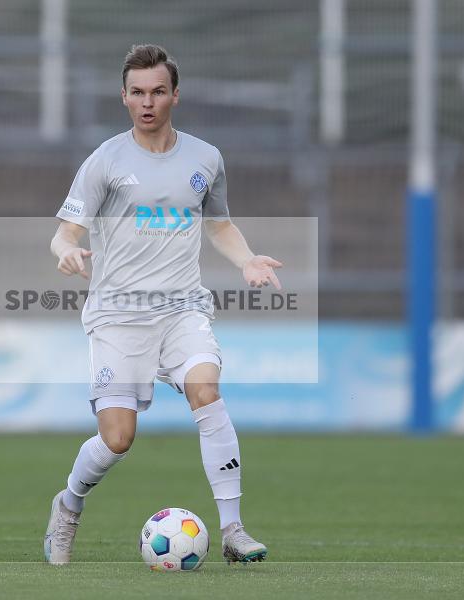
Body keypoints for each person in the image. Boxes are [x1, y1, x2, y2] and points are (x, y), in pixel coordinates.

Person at [45, 44, 282, 566]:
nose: (147, 102)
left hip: (182, 309)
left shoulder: (205, 158)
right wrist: (67, 252)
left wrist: (246, 261)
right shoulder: (105, 161)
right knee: (117, 439)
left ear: (175, 95)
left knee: (206, 390)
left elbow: (218, 222)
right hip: (118, 317)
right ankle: (68, 505)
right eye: (137, 93)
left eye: (157, 92)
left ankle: (233, 530)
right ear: (124, 98)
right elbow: (65, 232)